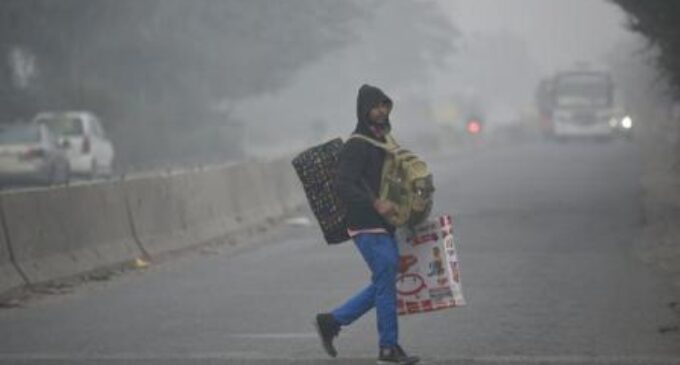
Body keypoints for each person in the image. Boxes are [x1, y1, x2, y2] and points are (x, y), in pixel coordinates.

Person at [314, 84, 420, 365]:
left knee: (386, 280)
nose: (381, 111)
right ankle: (388, 348)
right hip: (365, 223)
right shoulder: (357, 143)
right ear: (363, 111)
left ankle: (333, 321)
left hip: (383, 223)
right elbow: (344, 184)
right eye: (375, 106)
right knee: (387, 278)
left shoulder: (383, 140)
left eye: (384, 105)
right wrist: (375, 203)